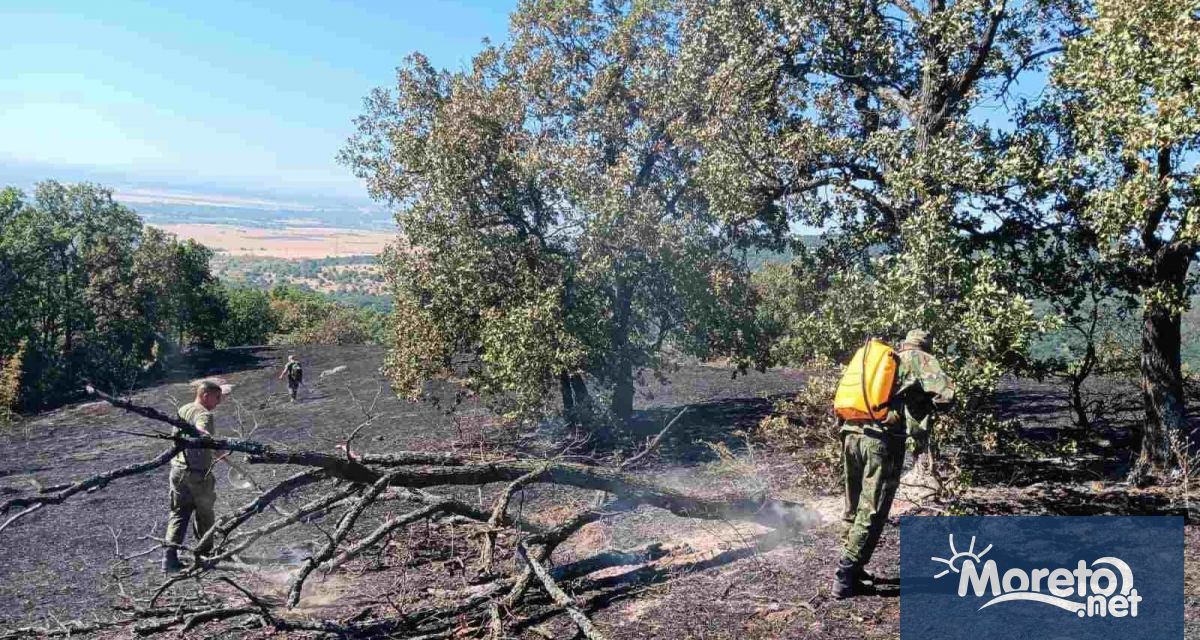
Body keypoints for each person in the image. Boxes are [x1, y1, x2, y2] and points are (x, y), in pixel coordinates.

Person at [833, 329, 955, 599]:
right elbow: (946, 395)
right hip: (881, 440)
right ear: (925, 346)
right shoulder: (919, 359)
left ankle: (855, 566)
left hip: (851, 433)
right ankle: (846, 572)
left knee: (853, 505)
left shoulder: (887, 360)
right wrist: (923, 407)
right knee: (874, 508)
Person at [163, 380, 223, 573]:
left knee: (178, 514)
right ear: (205, 395)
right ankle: (205, 556)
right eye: (217, 397)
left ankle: (169, 560)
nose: (219, 401)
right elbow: (201, 430)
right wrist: (210, 440)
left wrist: (213, 450)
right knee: (205, 514)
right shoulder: (203, 413)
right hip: (198, 474)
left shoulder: (184, 409)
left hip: (177, 471)